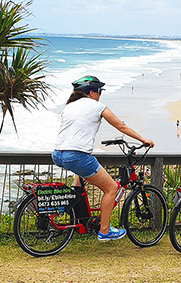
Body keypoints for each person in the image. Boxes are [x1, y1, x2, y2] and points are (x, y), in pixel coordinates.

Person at [51, 76, 154, 241]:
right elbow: (121, 126)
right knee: (111, 188)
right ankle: (104, 231)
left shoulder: (69, 106)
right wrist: (143, 140)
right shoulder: (97, 106)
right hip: (77, 155)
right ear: (91, 92)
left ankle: (81, 221)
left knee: (80, 176)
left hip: (58, 154)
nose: (100, 95)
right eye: (99, 91)